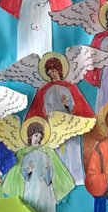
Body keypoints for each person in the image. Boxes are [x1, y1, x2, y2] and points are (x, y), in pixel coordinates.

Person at [26, 56, 94, 185]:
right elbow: (41, 109)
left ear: (59, 70)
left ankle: (75, 177)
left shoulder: (70, 87)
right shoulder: (44, 90)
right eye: (49, 72)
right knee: (56, 153)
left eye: (53, 70)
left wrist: (67, 105)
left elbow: (76, 107)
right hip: (53, 127)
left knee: (72, 150)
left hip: (69, 125)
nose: (52, 74)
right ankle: (58, 181)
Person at [2, 120, 75, 212]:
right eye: (36, 135)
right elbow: (22, 174)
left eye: (40, 137)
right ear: (30, 135)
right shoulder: (24, 154)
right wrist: (29, 171)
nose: (38, 139)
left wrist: (47, 174)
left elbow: (51, 172)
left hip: (45, 189)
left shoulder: (46, 153)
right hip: (30, 189)